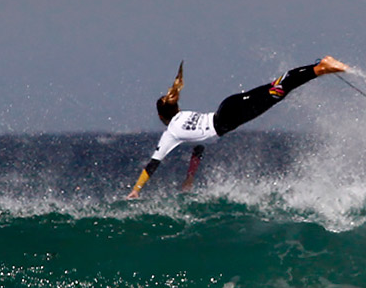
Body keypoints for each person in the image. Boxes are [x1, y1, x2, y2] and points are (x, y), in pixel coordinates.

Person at [127, 55, 349, 198]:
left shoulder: (171, 134)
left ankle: (320, 67)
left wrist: (136, 190)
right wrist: (190, 177)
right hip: (228, 107)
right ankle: (319, 67)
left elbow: (152, 165)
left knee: (278, 91)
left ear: (161, 116)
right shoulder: (183, 116)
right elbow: (199, 146)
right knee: (275, 88)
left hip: (229, 117)